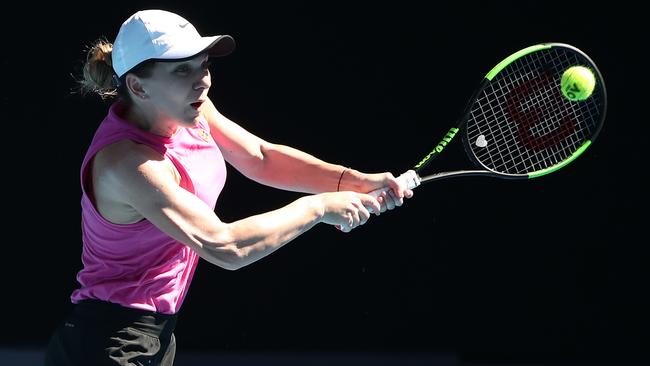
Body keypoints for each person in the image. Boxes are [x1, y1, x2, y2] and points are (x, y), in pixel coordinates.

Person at [44, 9, 416, 366]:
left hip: (155, 336)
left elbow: (260, 157)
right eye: (182, 70)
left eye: (204, 65)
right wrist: (319, 207)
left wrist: (353, 180)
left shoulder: (189, 110)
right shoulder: (127, 163)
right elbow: (225, 246)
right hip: (109, 342)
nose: (202, 79)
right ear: (138, 87)